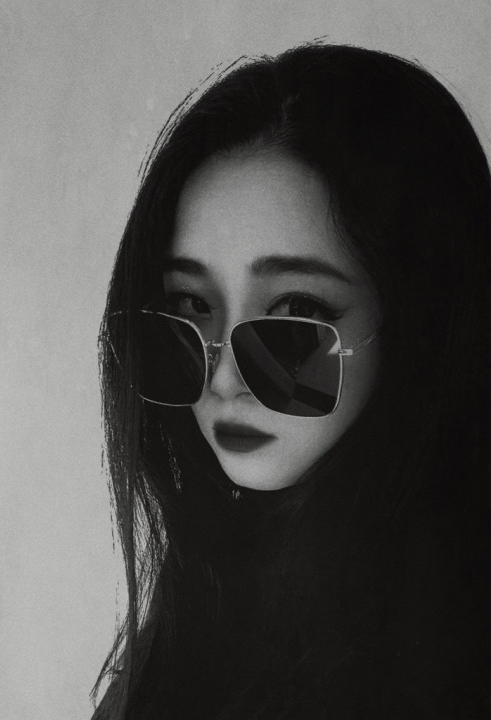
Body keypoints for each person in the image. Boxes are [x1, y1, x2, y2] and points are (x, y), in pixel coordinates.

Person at [92, 43, 491, 720]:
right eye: (190, 303)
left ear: (423, 325)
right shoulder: (197, 611)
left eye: (297, 310)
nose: (223, 377)